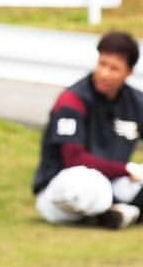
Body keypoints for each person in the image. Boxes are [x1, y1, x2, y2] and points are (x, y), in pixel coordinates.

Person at [33, 31, 143, 229]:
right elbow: (74, 159)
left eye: (114, 68)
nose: (105, 73)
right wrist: (127, 169)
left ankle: (118, 212)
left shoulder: (136, 103)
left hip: (112, 182)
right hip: (63, 188)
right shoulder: (72, 99)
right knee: (88, 182)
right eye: (102, 64)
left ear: (128, 72)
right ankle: (121, 210)